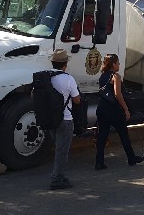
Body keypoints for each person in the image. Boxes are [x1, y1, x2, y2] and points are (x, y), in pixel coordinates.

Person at [95, 54, 144, 170]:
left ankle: (99, 162)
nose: (119, 65)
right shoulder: (115, 76)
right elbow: (118, 94)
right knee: (123, 135)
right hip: (114, 111)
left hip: (102, 109)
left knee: (102, 136)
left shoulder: (103, 76)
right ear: (113, 64)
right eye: (118, 63)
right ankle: (131, 158)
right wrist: (126, 109)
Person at [48, 49, 81, 190]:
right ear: (65, 64)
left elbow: (34, 95)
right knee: (62, 151)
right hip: (65, 119)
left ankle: (60, 176)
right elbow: (77, 100)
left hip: (50, 118)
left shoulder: (46, 77)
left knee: (58, 147)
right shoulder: (68, 79)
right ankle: (56, 180)